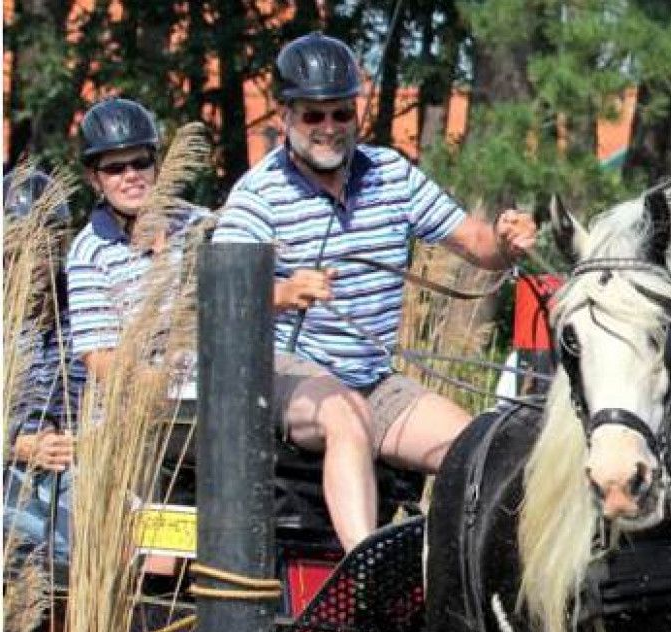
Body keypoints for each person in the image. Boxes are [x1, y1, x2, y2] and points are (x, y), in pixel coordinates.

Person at [213, 33, 538, 551]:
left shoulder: (389, 173)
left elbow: (476, 244)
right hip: (284, 373)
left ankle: (458, 577)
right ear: (286, 117)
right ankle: (366, 569)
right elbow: (221, 301)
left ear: (355, 114)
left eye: (340, 114)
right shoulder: (257, 195)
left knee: (481, 444)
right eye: (312, 116)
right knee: (347, 418)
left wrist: (505, 240)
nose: (328, 128)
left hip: (371, 377)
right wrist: (282, 292)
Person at [66, 97, 212, 382]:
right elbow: (99, 358)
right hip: (138, 408)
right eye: (114, 169)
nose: (131, 175)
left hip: (211, 392)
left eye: (140, 162)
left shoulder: (200, 224)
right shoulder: (88, 251)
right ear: (94, 179)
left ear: (156, 165)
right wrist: (166, 386)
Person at [5, 169, 86, 565]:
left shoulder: (80, 310)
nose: (37, 257)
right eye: (23, 243)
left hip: (71, 470)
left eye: (48, 242)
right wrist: (18, 447)